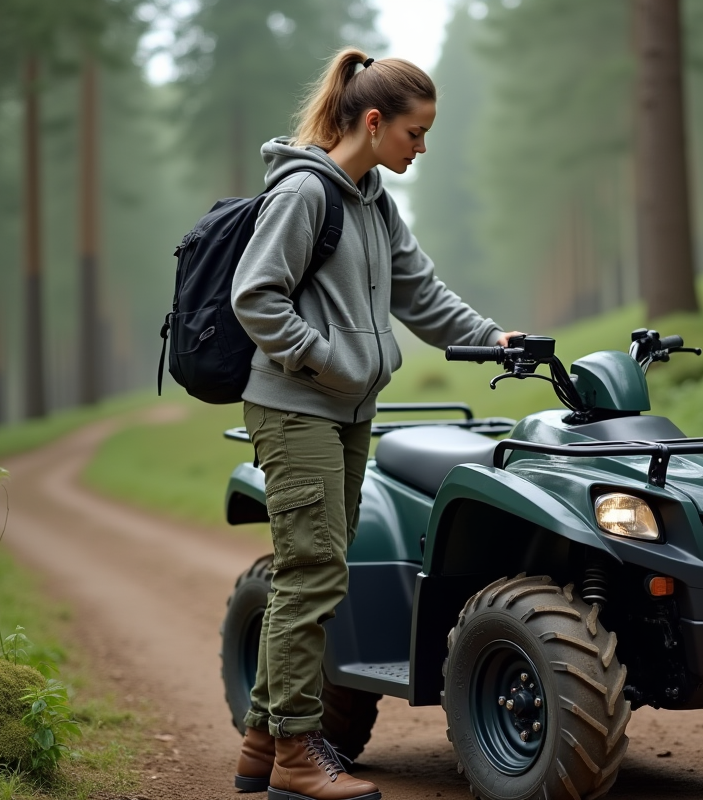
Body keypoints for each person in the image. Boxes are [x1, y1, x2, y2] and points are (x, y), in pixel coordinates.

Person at [230, 48, 519, 800]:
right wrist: (326, 360)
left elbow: (422, 294)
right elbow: (255, 297)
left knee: (323, 572)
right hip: (295, 406)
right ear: (372, 121)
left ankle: (262, 743)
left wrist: (492, 339)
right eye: (415, 133)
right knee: (313, 574)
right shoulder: (304, 194)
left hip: (346, 413)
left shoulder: (373, 203)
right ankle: (297, 754)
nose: (421, 148)